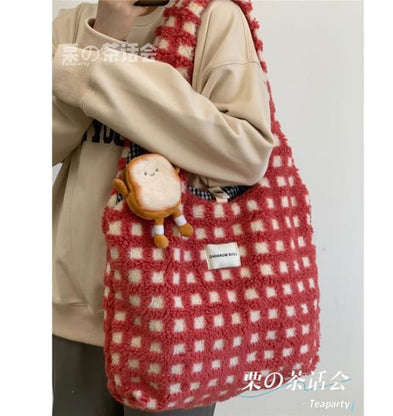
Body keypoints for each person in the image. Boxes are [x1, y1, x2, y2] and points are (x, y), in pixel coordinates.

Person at [52, 0, 275, 414]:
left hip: (179, 312)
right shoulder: (73, 23)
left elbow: (247, 154)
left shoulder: (215, 17)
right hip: (75, 306)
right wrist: (100, 40)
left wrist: (105, 76)